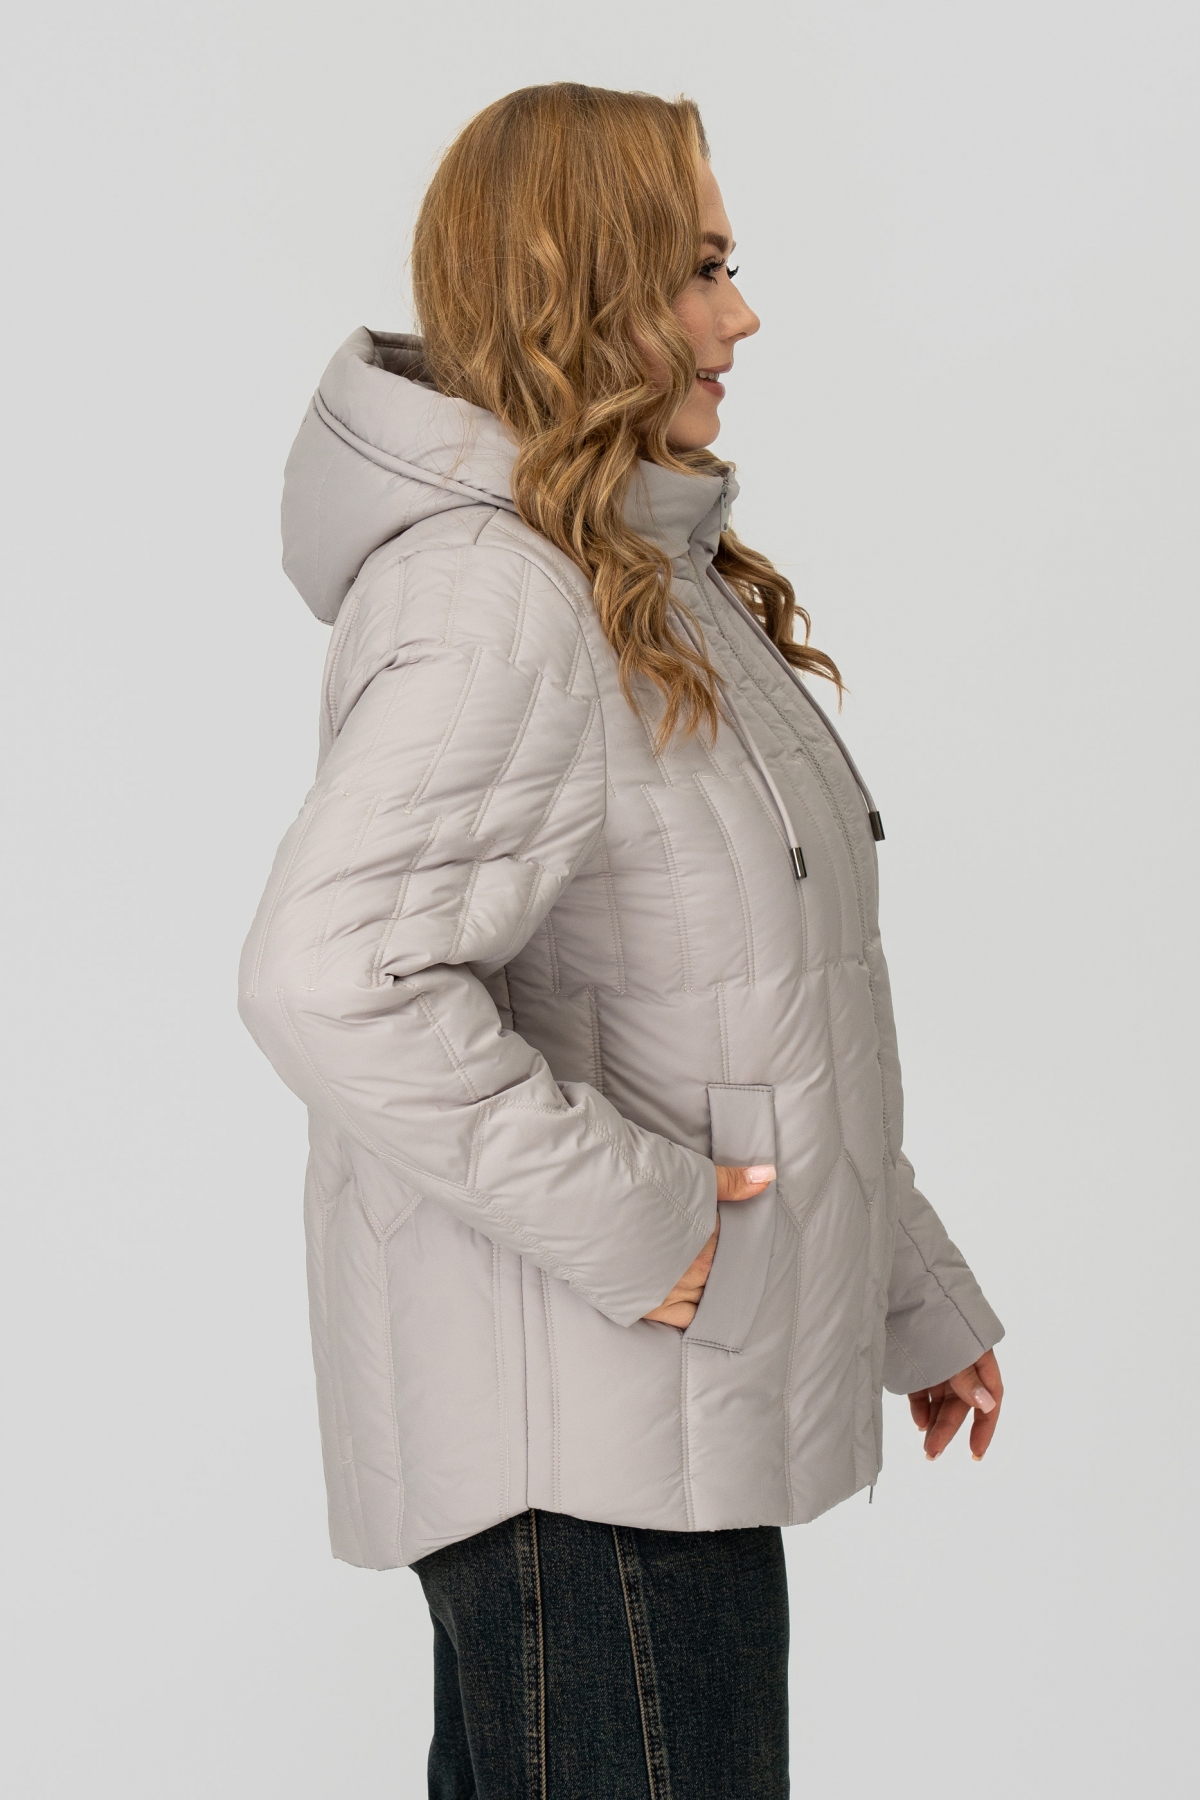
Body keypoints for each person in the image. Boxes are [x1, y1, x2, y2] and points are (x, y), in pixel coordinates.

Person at [239, 81, 1004, 1800]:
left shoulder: (634, 579)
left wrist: (907, 1290)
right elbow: (327, 973)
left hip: (642, 1429)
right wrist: (660, 1229)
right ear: (577, 286)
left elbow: (750, 1001)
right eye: (701, 270)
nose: (743, 318)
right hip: (586, 1456)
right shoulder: (497, 597)